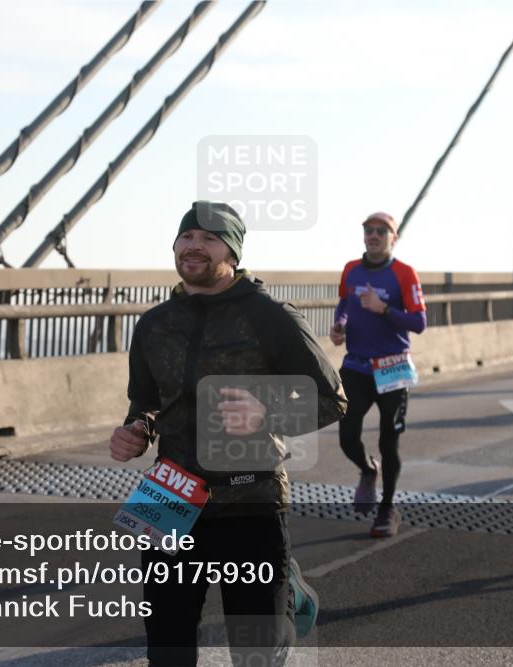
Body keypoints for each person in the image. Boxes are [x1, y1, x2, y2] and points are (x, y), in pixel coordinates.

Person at [109, 201, 347, 666]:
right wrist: (137, 428)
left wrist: (267, 410)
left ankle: (286, 594)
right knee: (167, 645)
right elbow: (146, 399)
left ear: (232, 253)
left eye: (209, 238)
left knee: (256, 654)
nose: (194, 246)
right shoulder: (154, 324)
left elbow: (331, 399)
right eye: (187, 237)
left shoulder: (269, 317)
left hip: (250, 499)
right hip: (169, 496)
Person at [330, 212, 426, 538]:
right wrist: (340, 324)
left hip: (393, 366)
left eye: (381, 231)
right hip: (356, 363)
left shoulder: (404, 274)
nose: (373, 235)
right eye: (369, 230)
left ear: (393, 238)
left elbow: (419, 323)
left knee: (390, 441)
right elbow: (343, 303)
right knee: (346, 433)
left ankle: (387, 508)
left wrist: (384, 309)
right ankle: (368, 470)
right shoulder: (350, 270)